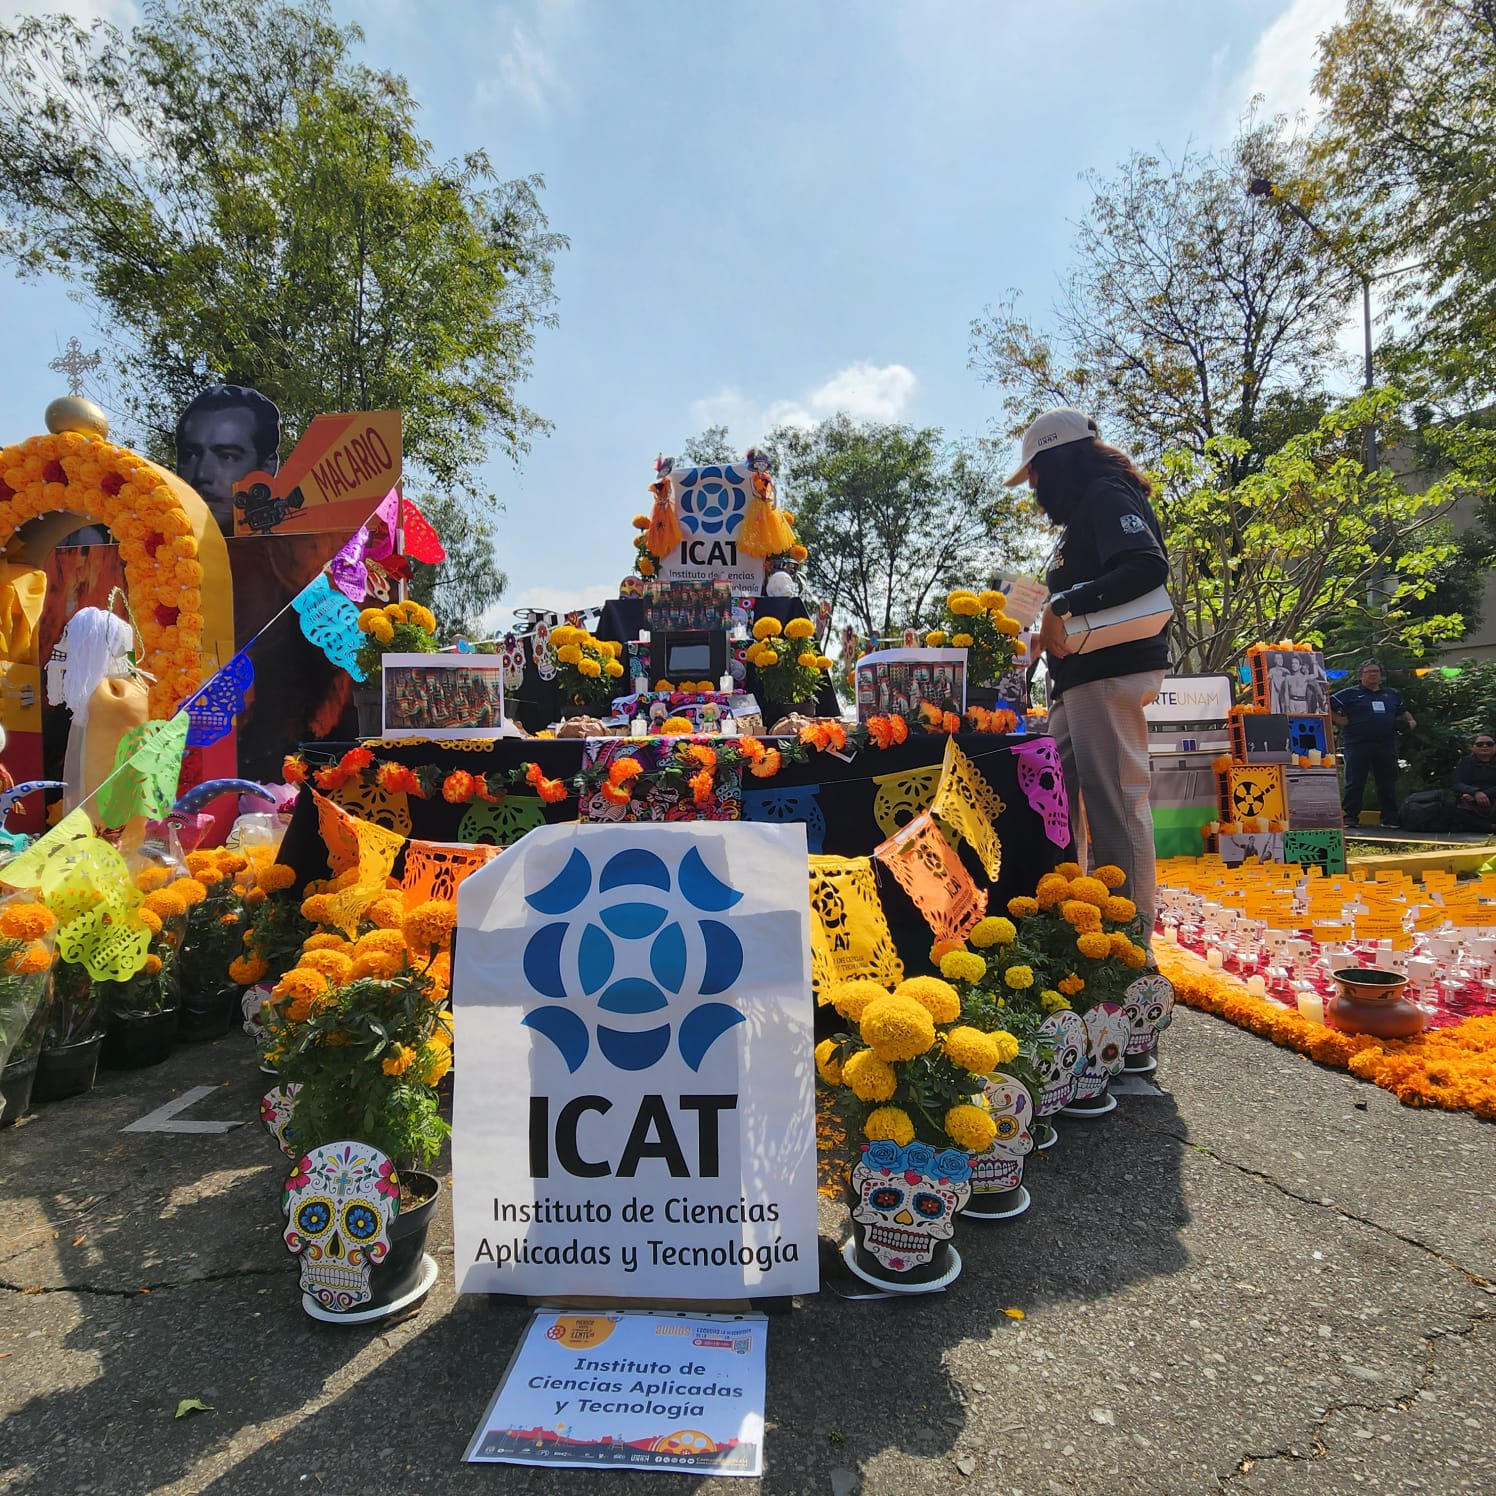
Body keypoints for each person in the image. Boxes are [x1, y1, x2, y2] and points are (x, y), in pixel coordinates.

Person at [1008, 408, 1170, 936]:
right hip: (1078, 679)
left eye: (1034, 471)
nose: (1032, 485)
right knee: (1053, 795)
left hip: (1108, 674)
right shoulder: (1088, 508)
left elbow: (1147, 566)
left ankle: (1131, 945)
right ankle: (1078, 928)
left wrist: (1065, 604)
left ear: (1057, 460)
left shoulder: (1107, 493)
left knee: (1115, 807)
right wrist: (1044, 634)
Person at [174, 384, 282, 535]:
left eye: (227, 456)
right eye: (190, 455)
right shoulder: (144, 548)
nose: (202, 474)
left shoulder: (303, 553)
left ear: (267, 467)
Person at [1330, 660, 1415, 828]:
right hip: (1357, 743)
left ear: (1381, 676)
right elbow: (1326, 705)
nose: (1372, 674)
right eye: (1368, 672)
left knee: (1387, 781)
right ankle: (1350, 816)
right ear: (1361, 676)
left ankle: (1389, 818)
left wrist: (1411, 721)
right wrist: (1341, 720)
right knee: (1355, 781)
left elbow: (1403, 711)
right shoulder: (1350, 694)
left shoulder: (1391, 694)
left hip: (1386, 744)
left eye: (1375, 671)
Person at [1452, 732, 1496, 831]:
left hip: (1493, 797)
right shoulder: (1464, 762)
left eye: (1489, 744)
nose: (1485, 746)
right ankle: (1490, 828)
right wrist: (1474, 792)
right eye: (1480, 744)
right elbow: (1457, 783)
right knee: (1454, 811)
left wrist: (1484, 794)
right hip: (1470, 800)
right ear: (1473, 747)